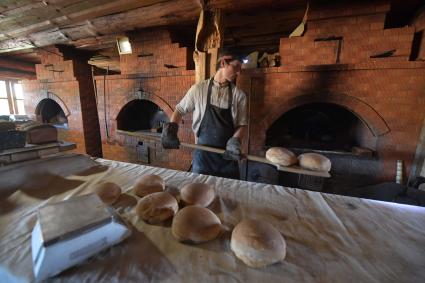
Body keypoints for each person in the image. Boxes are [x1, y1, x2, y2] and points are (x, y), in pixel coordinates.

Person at [161, 48, 248, 179]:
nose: (239, 72)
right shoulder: (198, 89)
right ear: (224, 63)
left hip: (228, 156)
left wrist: (235, 141)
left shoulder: (239, 95)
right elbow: (179, 110)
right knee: (199, 193)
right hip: (203, 157)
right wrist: (171, 130)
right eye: (236, 66)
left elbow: (242, 124)